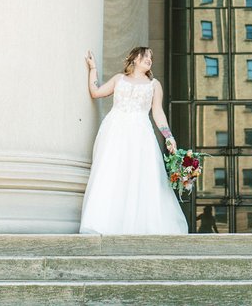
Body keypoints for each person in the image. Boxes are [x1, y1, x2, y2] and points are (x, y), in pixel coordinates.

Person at [79, 47, 188, 235]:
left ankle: (140, 225)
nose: (149, 59)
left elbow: (158, 112)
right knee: (112, 173)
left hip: (140, 134)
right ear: (135, 58)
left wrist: (169, 136)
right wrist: (93, 69)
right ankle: (106, 223)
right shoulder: (118, 79)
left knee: (140, 175)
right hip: (114, 131)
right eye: (145, 56)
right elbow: (96, 92)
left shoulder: (154, 84)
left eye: (151, 58)